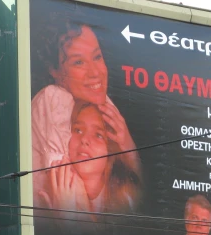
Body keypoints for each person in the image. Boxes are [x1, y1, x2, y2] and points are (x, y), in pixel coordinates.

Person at [32, 18, 140, 202]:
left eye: (97, 57)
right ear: (55, 71)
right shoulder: (54, 99)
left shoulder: (100, 101)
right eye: (78, 62)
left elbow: (136, 189)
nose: (95, 72)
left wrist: (128, 146)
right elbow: (72, 202)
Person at [40, 101, 139, 216]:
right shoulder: (55, 190)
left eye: (98, 135)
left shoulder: (126, 200)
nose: (85, 139)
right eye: (78, 130)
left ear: (110, 151)